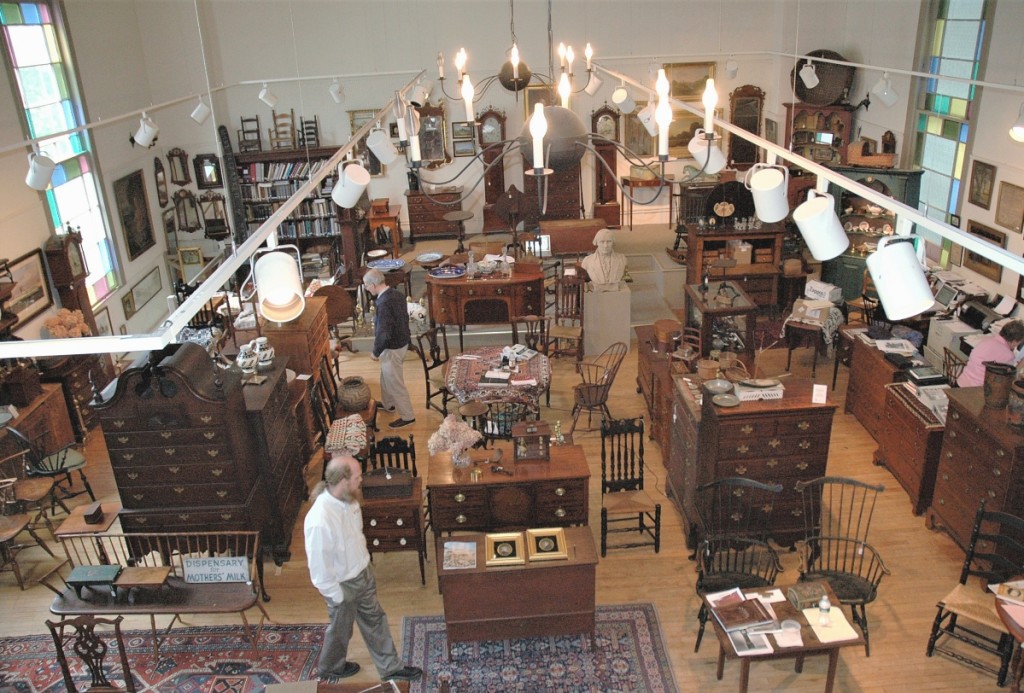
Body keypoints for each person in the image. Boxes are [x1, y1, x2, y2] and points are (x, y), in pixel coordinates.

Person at [304, 452, 423, 683]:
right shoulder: (320, 520)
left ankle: (391, 668)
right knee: (341, 631)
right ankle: (330, 668)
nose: (362, 480)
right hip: (342, 585)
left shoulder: (350, 500)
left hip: (363, 573)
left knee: (375, 619)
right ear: (342, 480)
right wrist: (337, 597)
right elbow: (319, 570)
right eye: (358, 476)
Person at [362, 268, 415, 428]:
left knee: (395, 382)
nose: (366, 288)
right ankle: (388, 405)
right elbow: (404, 320)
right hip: (401, 342)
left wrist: (375, 352)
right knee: (385, 377)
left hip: (391, 348)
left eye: (366, 285)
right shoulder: (396, 295)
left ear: (373, 284)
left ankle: (408, 416)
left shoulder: (383, 303)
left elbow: (383, 333)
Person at [958, 319, 1024, 387]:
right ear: (1014, 341)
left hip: (960, 383)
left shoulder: (987, 340)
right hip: (975, 391)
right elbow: (1009, 380)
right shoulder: (1008, 355)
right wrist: (1021, 364)